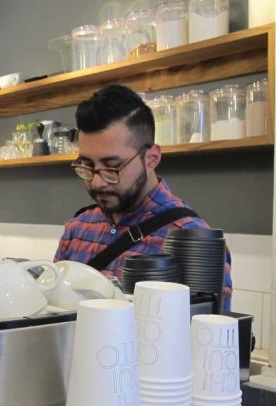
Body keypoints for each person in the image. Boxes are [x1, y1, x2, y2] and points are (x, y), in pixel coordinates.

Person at [54, 84, 232, 310]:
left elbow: (209, 338)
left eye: (112, 167)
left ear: (151, 158)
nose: (97, 182)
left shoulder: (193, 242)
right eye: (87, 166)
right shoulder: (78, 229)